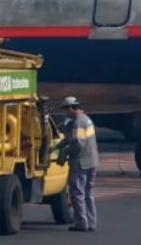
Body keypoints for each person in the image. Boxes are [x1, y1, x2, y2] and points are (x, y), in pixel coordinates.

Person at [56, 96, 99, 232]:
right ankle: (91, 223)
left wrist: (65, 152)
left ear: (70, 108)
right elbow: (70, 138)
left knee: (76, 193)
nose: (65, 113)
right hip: (92, 161)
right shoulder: (86, 119)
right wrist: (56, 146)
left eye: (65, 110)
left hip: (81, 163)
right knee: (88, 193)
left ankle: (81, 223)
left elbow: (78, 144)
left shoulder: (78, 123)